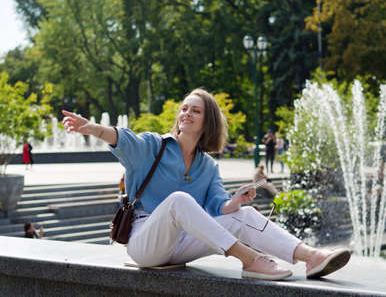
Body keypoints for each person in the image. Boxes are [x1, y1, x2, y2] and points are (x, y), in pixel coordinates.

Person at [62, 88, 350, 281]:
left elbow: (217, 205)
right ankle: (249, 259)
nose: (186, 113)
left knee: (245, 215)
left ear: (207, 121)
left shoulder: (208, 165)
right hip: (145, 243)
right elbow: (122, 139)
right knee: (178, 200)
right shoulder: (154, 145)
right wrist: (92, 128)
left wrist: (234, 203)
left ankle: (312, 258)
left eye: (195, 111)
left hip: (182, 244)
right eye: (184, 109)